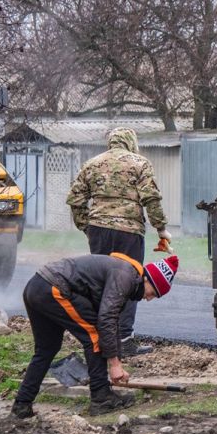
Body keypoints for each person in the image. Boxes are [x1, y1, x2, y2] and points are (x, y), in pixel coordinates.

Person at [11, 252, 179, 419]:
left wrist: (118, 362)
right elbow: (106, 320)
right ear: (148, 280)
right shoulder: (125, 276)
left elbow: (112, 322)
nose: (149, 299)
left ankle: (22, 404)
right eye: (154, 293)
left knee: (46, 349)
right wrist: (114, 365)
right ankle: (101, 398)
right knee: (94, 336)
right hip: (54, 288)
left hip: (36, 286)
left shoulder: (125, 274)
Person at [66, 127, 170, 355]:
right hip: (129, 231)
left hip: (98, 230)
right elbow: (151, 199)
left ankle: (100, 339)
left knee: (99, 281)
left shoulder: (91, 164)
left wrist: (87, 226)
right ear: (131, 142)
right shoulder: (140, 163)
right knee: (129, 281)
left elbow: (75, 200)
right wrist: (161, 229)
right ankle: (124, 339)